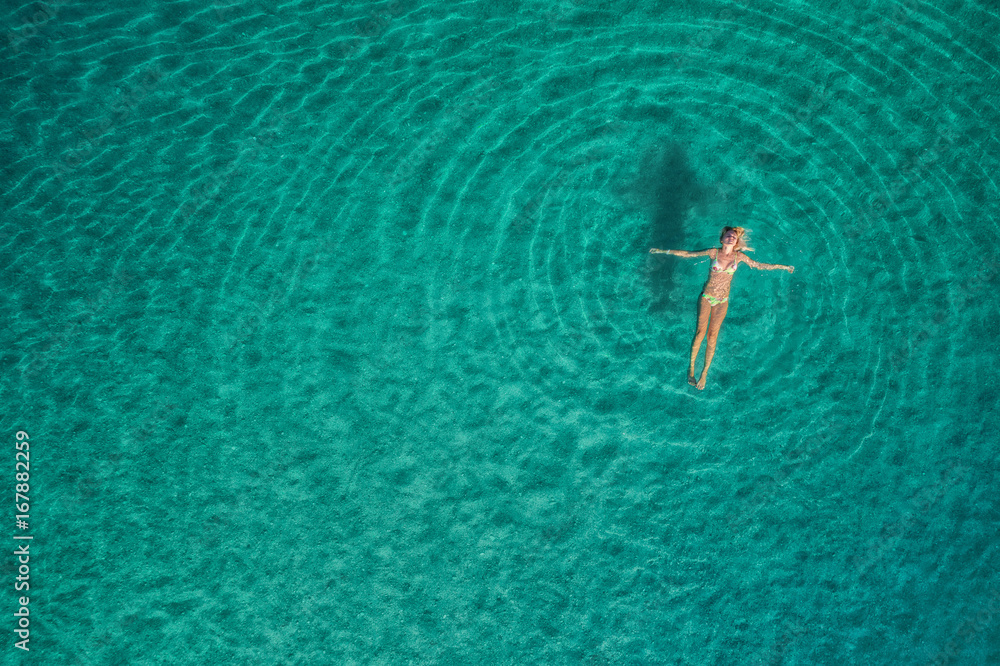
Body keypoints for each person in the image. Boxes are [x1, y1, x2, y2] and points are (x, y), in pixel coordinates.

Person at [650, 226, 794, 390]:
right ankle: (690, 368)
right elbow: (689, 254)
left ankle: (704, 373)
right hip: (706, 297)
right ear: (722, 239)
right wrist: (664, 251)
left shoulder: (739, 256)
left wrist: (783, 267)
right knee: (699, 333)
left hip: (722, 301)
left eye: (734, 236)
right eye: (728, 235)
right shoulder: (713, 253)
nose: (731, 237)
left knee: (712, 337)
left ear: (736, 241)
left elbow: (759, 265)